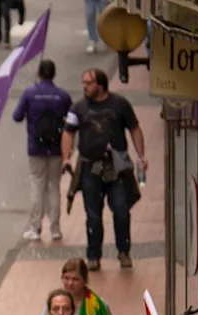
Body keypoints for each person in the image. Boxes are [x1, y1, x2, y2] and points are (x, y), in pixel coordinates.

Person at [61, 68, 146, 271]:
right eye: (83, 83)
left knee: (121, 211)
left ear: (100, 84)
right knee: (93, 215)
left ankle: (123, 251)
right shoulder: (78, 108)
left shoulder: (120, 105)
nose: (85, 87)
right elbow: (68, 133)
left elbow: (134, 128)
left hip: (115, 168)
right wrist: (66, 158)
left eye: (88, 83)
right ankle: (93, 256)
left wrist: (141, 156)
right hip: (90, 167)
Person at [12, 60, 72, 241]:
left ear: (39, 72)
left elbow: (17, 116)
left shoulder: (30, 93)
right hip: (56, 148)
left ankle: (36, 228)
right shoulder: (62, 96)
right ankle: (55, 229)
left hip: (36, 147)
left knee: (37, 186)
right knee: (54, 186)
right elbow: (72, 120)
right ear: (54, 73)